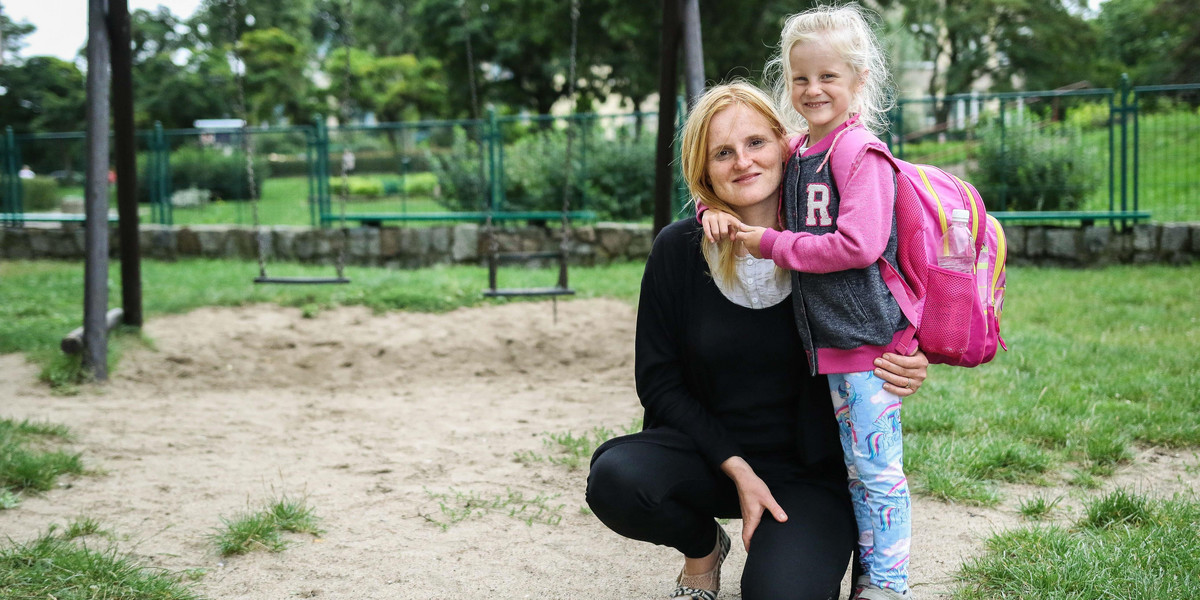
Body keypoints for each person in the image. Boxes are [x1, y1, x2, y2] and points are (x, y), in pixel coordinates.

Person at [585, 81, 928, 600]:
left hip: (807, 473)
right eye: (722, 152)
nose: (742, 162)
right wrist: (737, 468)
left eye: (755, 143)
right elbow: (658, 384)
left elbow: (890, 307)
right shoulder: (678, 249)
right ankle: (703, 549)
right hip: (710, 458)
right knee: (617, 479)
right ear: (705, 171)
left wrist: (912, 355)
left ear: (785, 146)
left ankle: (823, 546)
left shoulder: (827, 245)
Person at [699, 5, 914, 599]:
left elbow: (860, 244)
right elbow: (738, 180)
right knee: (856, 470)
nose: (813, 89)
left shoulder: (857, 152)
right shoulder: (802, 151)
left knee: (877, 474)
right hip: (835, 346)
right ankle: (869, 572)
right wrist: (708, 211)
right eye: (801, 78)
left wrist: (773, 244)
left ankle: (889, 585)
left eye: (829, 77)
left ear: (859, 81)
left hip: (866, 344)